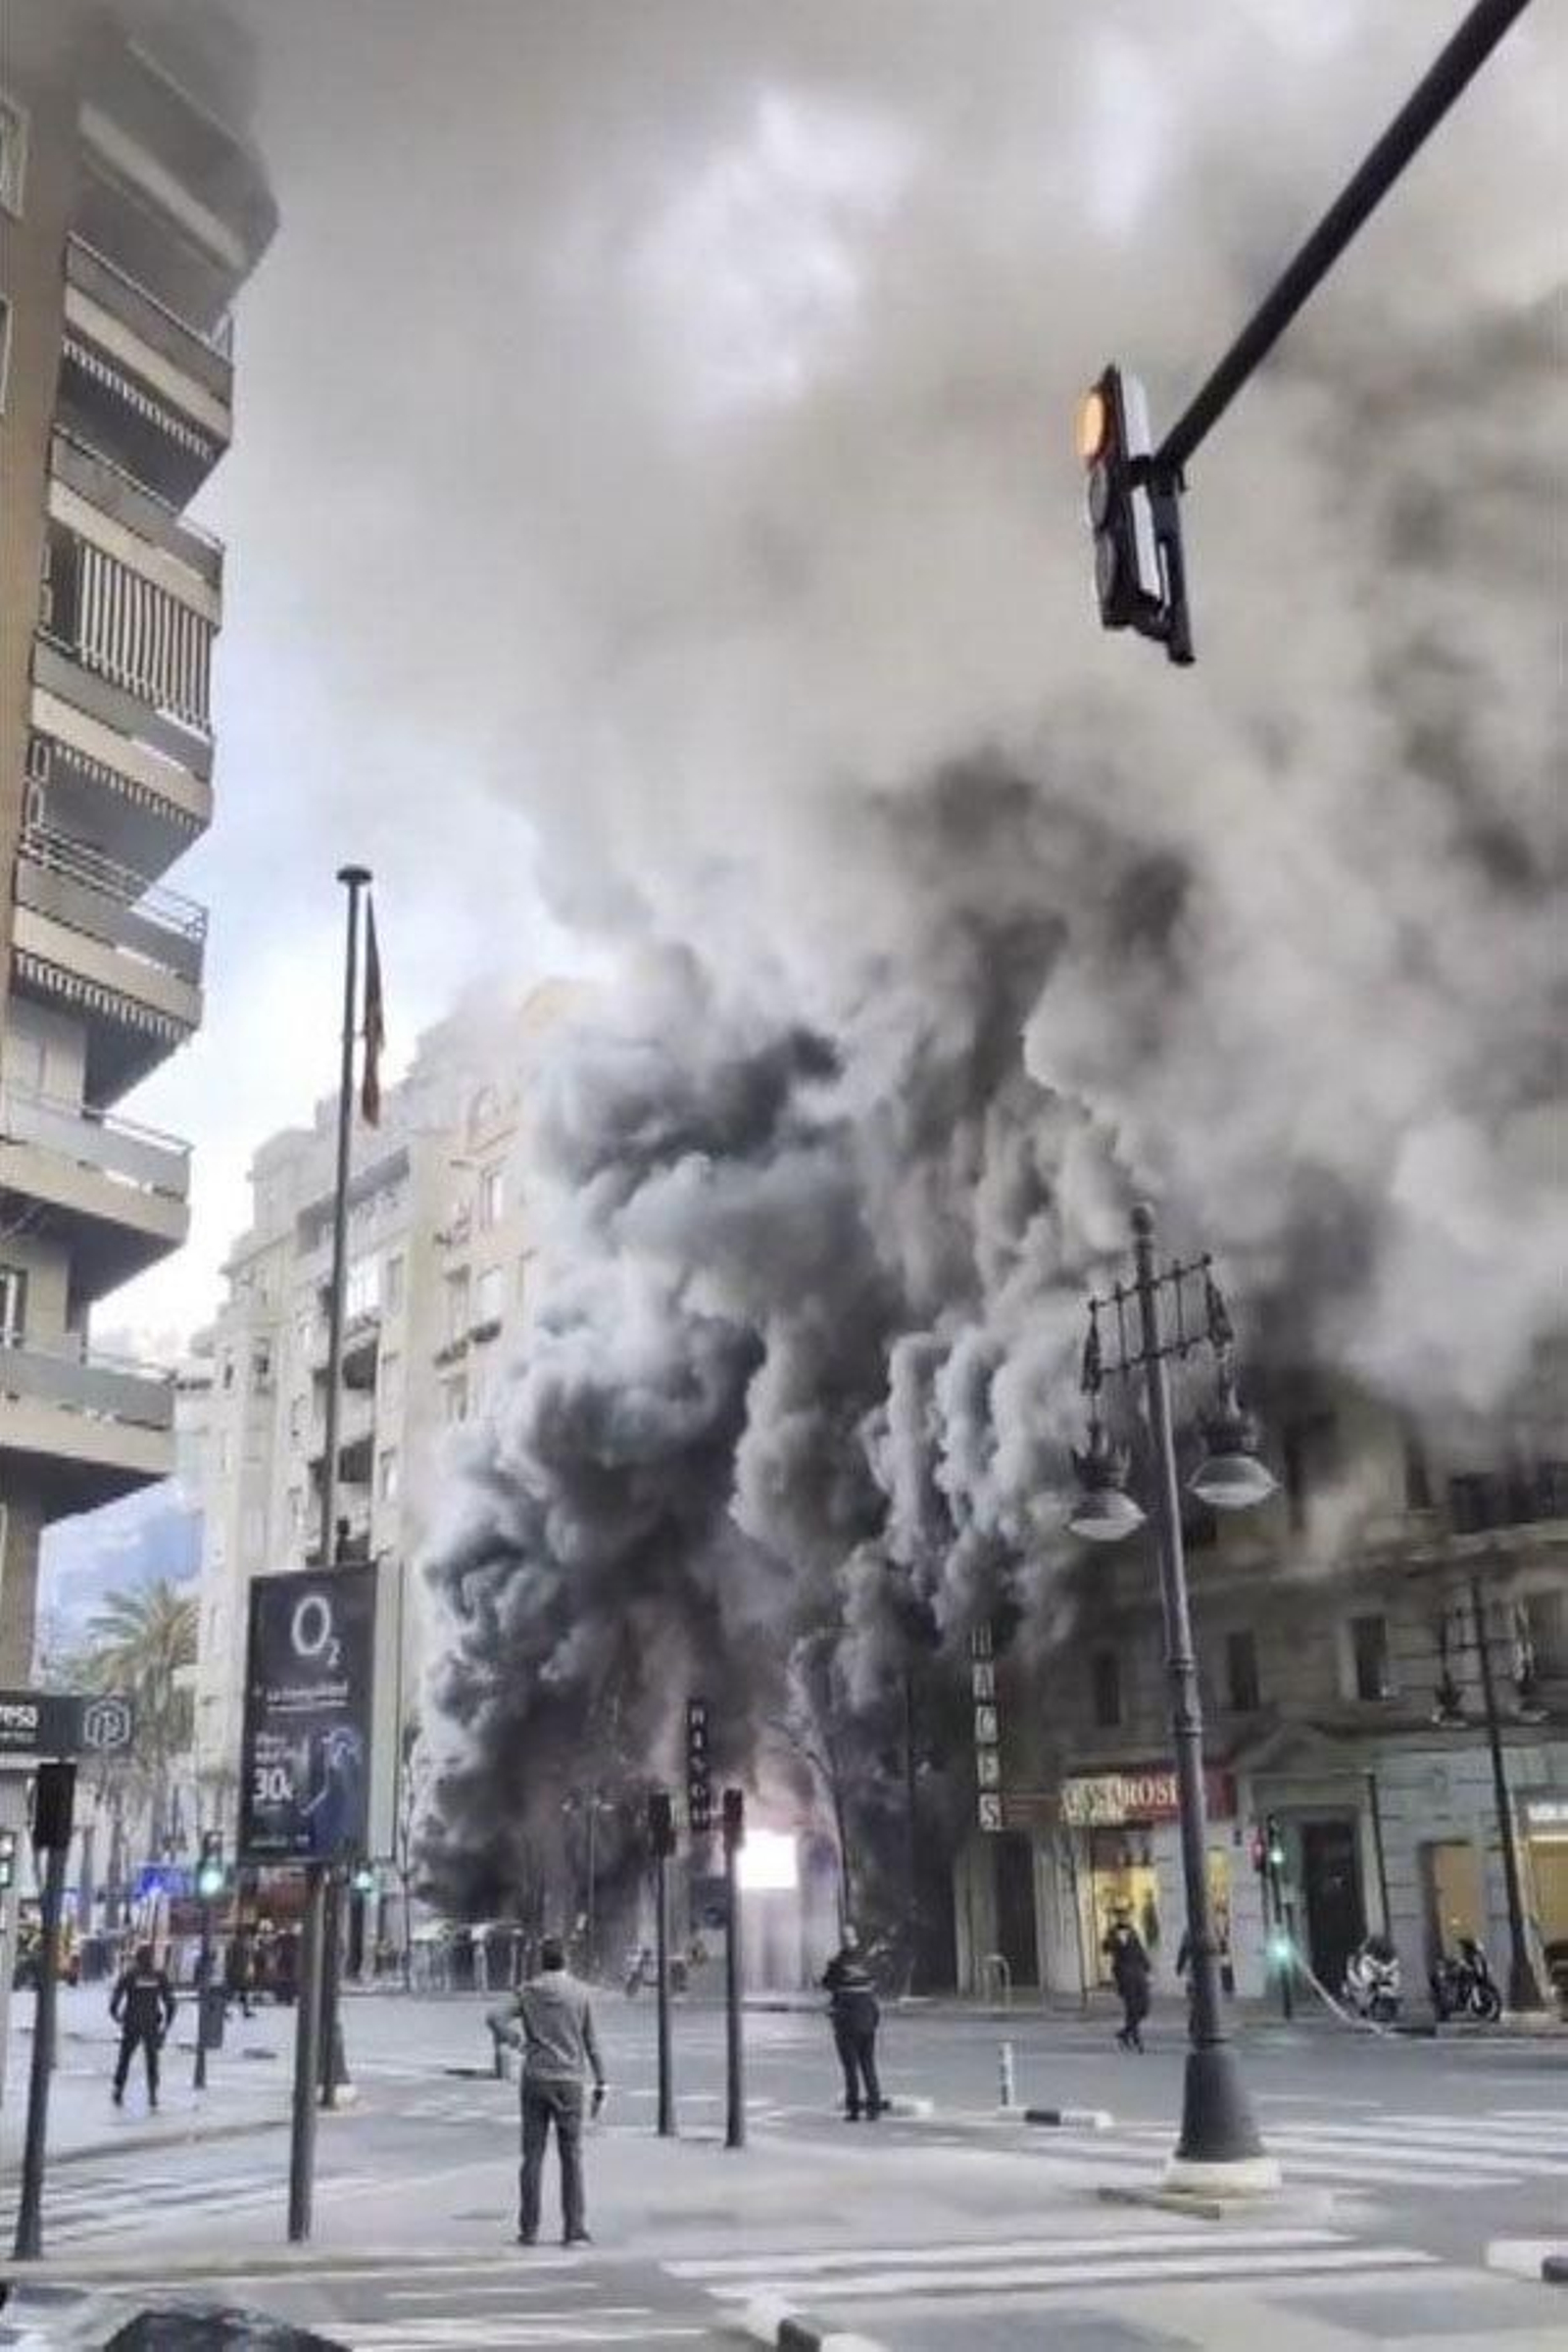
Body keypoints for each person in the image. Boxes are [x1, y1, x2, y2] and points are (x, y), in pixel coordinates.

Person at [488, 1934, 607, 2246]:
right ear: (566, 1959)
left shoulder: (528, 1991)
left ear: (541, 1961)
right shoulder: (581, 1993)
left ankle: (529, 2229)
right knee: (572, 2155)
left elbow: (495, 2017)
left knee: (532, 2156)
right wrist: (601, 2081)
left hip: (536, 2077)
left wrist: (515, 2040)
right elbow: (592, 2043)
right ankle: (574, 2229)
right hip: (569, 2080)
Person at [820, 1923, 883, 2120]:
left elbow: (827, 1983)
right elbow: (874, 1983)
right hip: (868, 2021)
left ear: (842, 1940)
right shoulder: (867, 1961)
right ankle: (874, 2106)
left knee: (850, 2068)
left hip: (846, 2022)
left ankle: (854, 2108)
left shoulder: (837, 1964)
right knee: (868, 2064)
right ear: (856, 1939)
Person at [110, 1942, 176, 2108]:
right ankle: (152, 2093)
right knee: (152, 2060)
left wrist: (117, 2016)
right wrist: (166, 2026)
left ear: (137, 1959)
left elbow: (116, 1998)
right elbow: (170, 2003)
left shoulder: (130, 1975)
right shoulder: (158, 1976)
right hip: (151, 2023)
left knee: (125, 2058)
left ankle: (119, 2089)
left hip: (132, 2022)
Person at [1103, 1910, 1152, 2052]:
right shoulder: (1112, 1933)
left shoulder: (1133, 1932)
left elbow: (1140, 1950)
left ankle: (1125, 2032)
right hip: (1124, 1975)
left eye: (1126, 1916)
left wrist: (1147, 1966)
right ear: (1117, 1918)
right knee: (1131, 2008)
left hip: (1139, 1974)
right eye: (1121, 1916)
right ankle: (1136, 2039)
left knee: (1144, 2007)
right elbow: (1105, 1949)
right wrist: (1111, 1940)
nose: (1124, 1918)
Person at [224, 1927, 256, 2020]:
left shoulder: (242, 1944)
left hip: (241, 1972)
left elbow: (245, 1959)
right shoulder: (235, 1944)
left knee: (242, 1992)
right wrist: (229, 1970)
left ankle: (245, 2011)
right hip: (236, 1973)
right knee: (232, 1992)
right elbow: (230, 1958)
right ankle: (224, 2010)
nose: (246, 1936)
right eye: (245, 1934)